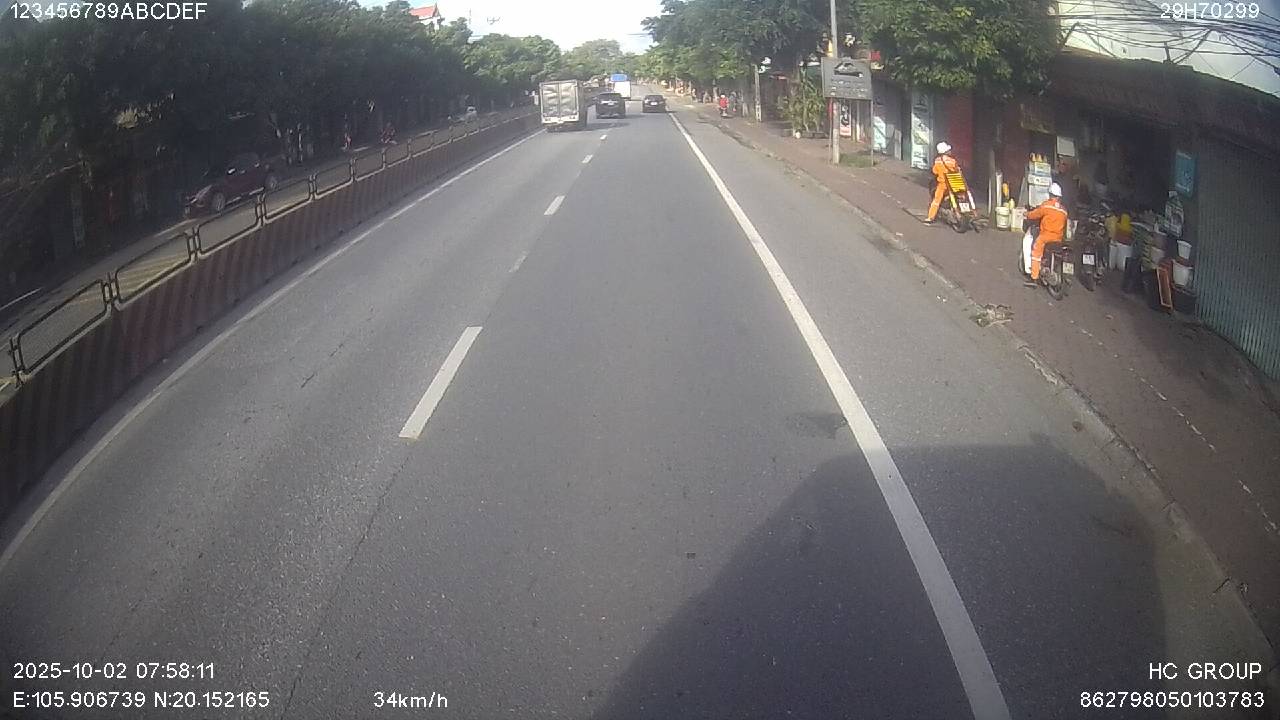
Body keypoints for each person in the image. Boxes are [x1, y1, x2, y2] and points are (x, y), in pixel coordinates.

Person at [1025, 182, 1070, 282]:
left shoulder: (1047, 206)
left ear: (1050, 194)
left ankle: (1034, 277)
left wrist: (1027, 214)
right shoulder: (1064, 210)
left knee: (1036, 252)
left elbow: (1035, 214)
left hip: (1046, 236)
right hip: (1058, 238)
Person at [925, 141, 961, 224]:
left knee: (936, 200)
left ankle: (930, 217)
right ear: (946, 151)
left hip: (943, 184)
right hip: (954, 183)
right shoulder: (952, 161)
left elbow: (934, 171)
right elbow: (957, 170)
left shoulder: (937, 161)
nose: (950, 151)